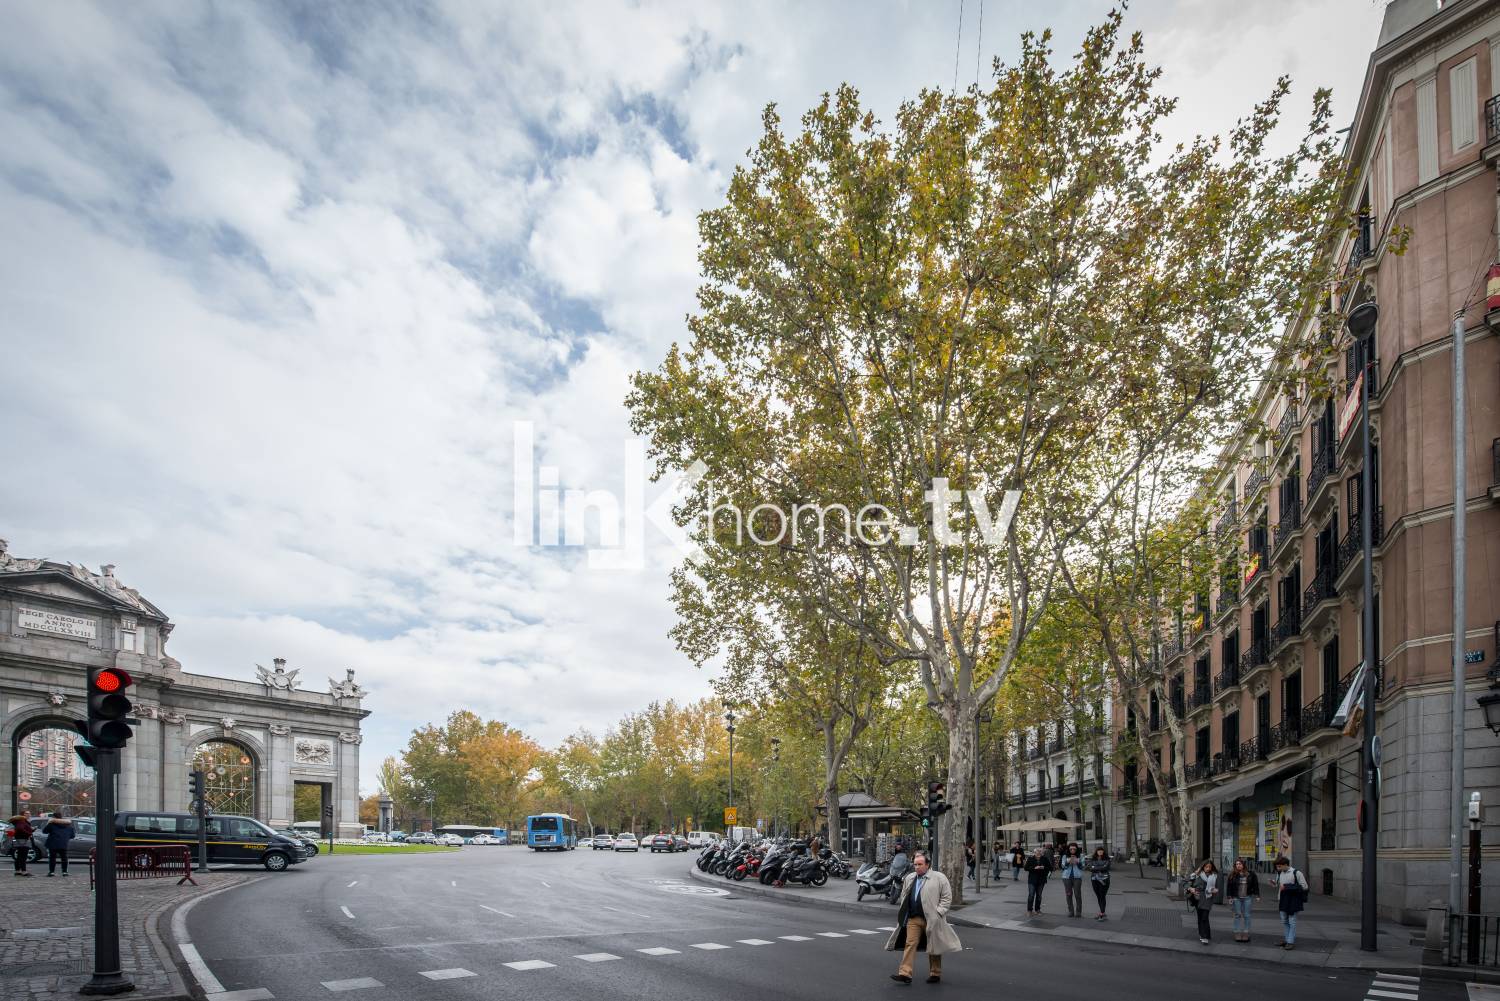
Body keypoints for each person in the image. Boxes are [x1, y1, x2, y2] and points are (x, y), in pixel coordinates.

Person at [885, 851, 962, 984]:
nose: (917, 867)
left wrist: (938, 913)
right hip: (913, 918)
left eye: (920, 864)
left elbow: (946, 898)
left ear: (927, 865)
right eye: (915, 864)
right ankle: (905, 974)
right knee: (910, 944)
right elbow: (904, 895)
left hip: (932, 919)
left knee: (934, 945)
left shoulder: (939, 878)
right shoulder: (910, 878)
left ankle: (935, 973)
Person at [1272, 855, 1309, 950]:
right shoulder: (1280, 873)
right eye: (1277, 866)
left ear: (1285, 864)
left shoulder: (1296, 873)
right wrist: (1274, 883)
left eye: (1279, 866)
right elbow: (1279, 885)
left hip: (1293, 900)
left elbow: (1304, 886)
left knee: (1292, 921)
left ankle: (1290, 942)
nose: (1278, 868)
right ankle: (1287, 939)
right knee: (1284, 921)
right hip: (1282, 900)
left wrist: (1287, 887)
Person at [1187, 859, 1225, 944]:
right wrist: (1191, 888)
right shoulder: (1197, 874)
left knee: (1204, 916)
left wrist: (1215, 890)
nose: (1208, 868)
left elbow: (1218, 887)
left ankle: (1204, 936)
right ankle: (1204, 934)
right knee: (1200, 916)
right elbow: (1186, 882)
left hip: (1208, 898)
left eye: (1210, 867)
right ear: (1203, 867)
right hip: (1198, 897)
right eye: (1206, 867)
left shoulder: (1214, 875)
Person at [1226, 857, 1260, 943]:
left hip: (1247, 897)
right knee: (1237, 915)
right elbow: (1229, 887)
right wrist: (1229, 897)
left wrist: (1257, 895)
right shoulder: (1232, 874)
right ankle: (1237, 932)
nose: (1238, 865)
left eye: (1240, 864)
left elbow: (1255, 885)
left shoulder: (1251, 874)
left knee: (1247, 915)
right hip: (1236, 898)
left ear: (1243, 865)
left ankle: (1246, 932)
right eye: (1237, 864)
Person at [41, 813, 74, 877]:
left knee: (52, 858)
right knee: (64, 858)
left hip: (52, 844)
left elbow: (44, 831)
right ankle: (64, 872)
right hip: (64, 844)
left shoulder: (51, 824)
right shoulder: (68, 825)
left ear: (54, 817)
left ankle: (51, 872)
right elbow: (72, 835)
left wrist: (48, 823)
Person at [1084, 846, 1112, 920]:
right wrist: (1099, 867)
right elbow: (1088, 868)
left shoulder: (1107, 859)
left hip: (1104, 880)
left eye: (1101, 851)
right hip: (1094, 879)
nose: (1100, 852)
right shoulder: (1093, 859)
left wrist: (1094, 867)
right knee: (1098, 896)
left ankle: (1102, 914)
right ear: (1096, 852)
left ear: (1103, 852)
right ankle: (1102, 912)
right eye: (1098, 851)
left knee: (1102, 896)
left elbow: (1105, 868)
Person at [1060, 843, 1085, 917]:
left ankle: (1078, 912)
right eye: (1071, 849)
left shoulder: (1081, 856)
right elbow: (1062, 866)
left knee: (1077, 894)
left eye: (1074, 849)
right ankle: (1071, 911)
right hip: (1066, 877)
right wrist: (1068, 862)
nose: (1072, 850)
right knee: (1068, 894)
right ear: (1068, 849)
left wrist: (1078, 862)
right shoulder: (1065, 856)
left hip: (1077, 877)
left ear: (1076, 849)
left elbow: (1082, 867)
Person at [1024, 846, 1050, 916]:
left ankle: (1037, 910)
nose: (1038, 853)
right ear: (1034, 853)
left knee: (1039, 895)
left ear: (1042, 853)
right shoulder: (1030, 859)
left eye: (1040, 852)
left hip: (1041, 880)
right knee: (1031, 895)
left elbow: (1050, 867)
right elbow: (1026, 868)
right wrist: (1034, 868)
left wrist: (1043, 867)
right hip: (1032, 880)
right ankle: (1029, 910)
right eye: (1037, 852)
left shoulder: (1045, 859)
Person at [9, 810, 34, 877]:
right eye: (27, 813)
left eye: (29, 813)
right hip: (23, 840)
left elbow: (20, 829)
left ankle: (17, 871)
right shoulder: (21, 821)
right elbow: (20, 828)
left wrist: (31, 830)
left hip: (20, 840)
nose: (29, 814)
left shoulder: (21, 821)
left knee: (19, 856)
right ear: (23, 814)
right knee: (23, 856)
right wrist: (29, 833)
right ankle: (24, 871)